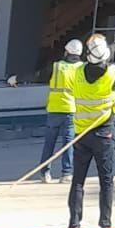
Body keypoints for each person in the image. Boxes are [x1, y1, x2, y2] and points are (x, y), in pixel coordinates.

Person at [64, 30, 115, 228]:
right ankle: (105, 222)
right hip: (104, 134)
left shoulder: (76, 73)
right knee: (106, 180)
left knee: (78, 181)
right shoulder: (111, 75)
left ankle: (74, 222)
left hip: (81, 134)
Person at [37, 39, 83, 181]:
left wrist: (16, 79)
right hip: (71, 110)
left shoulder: (56, 66)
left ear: (66, 52)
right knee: (68, 144)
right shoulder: (82, 69)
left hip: (54, 109)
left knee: (49, 143)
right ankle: (66, 173)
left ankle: (45, 172)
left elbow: (40, 76)